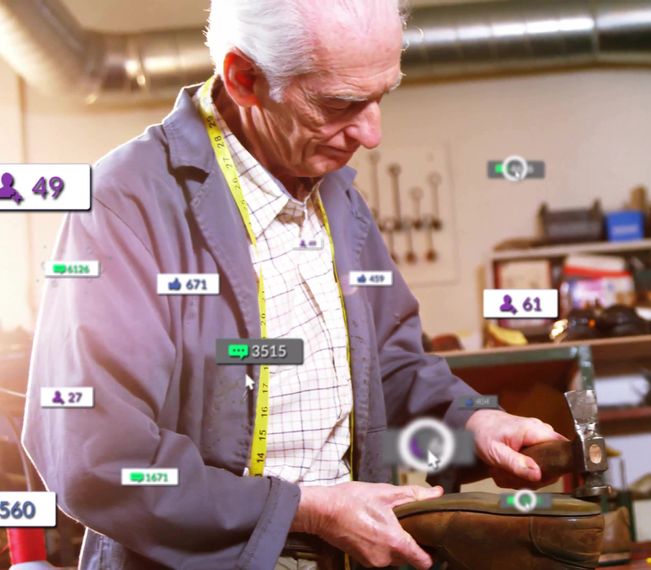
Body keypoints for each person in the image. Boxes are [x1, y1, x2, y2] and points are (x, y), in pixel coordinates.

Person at [21, 1, 564, 568]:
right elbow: (97, 459)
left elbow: (390, 364)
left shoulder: (335, 196)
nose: (373, 134)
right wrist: (306, 509)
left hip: (350, 553)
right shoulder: (123, 206)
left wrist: (474, 419)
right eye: (340, 103)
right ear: (244, 79)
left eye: (383, 96)